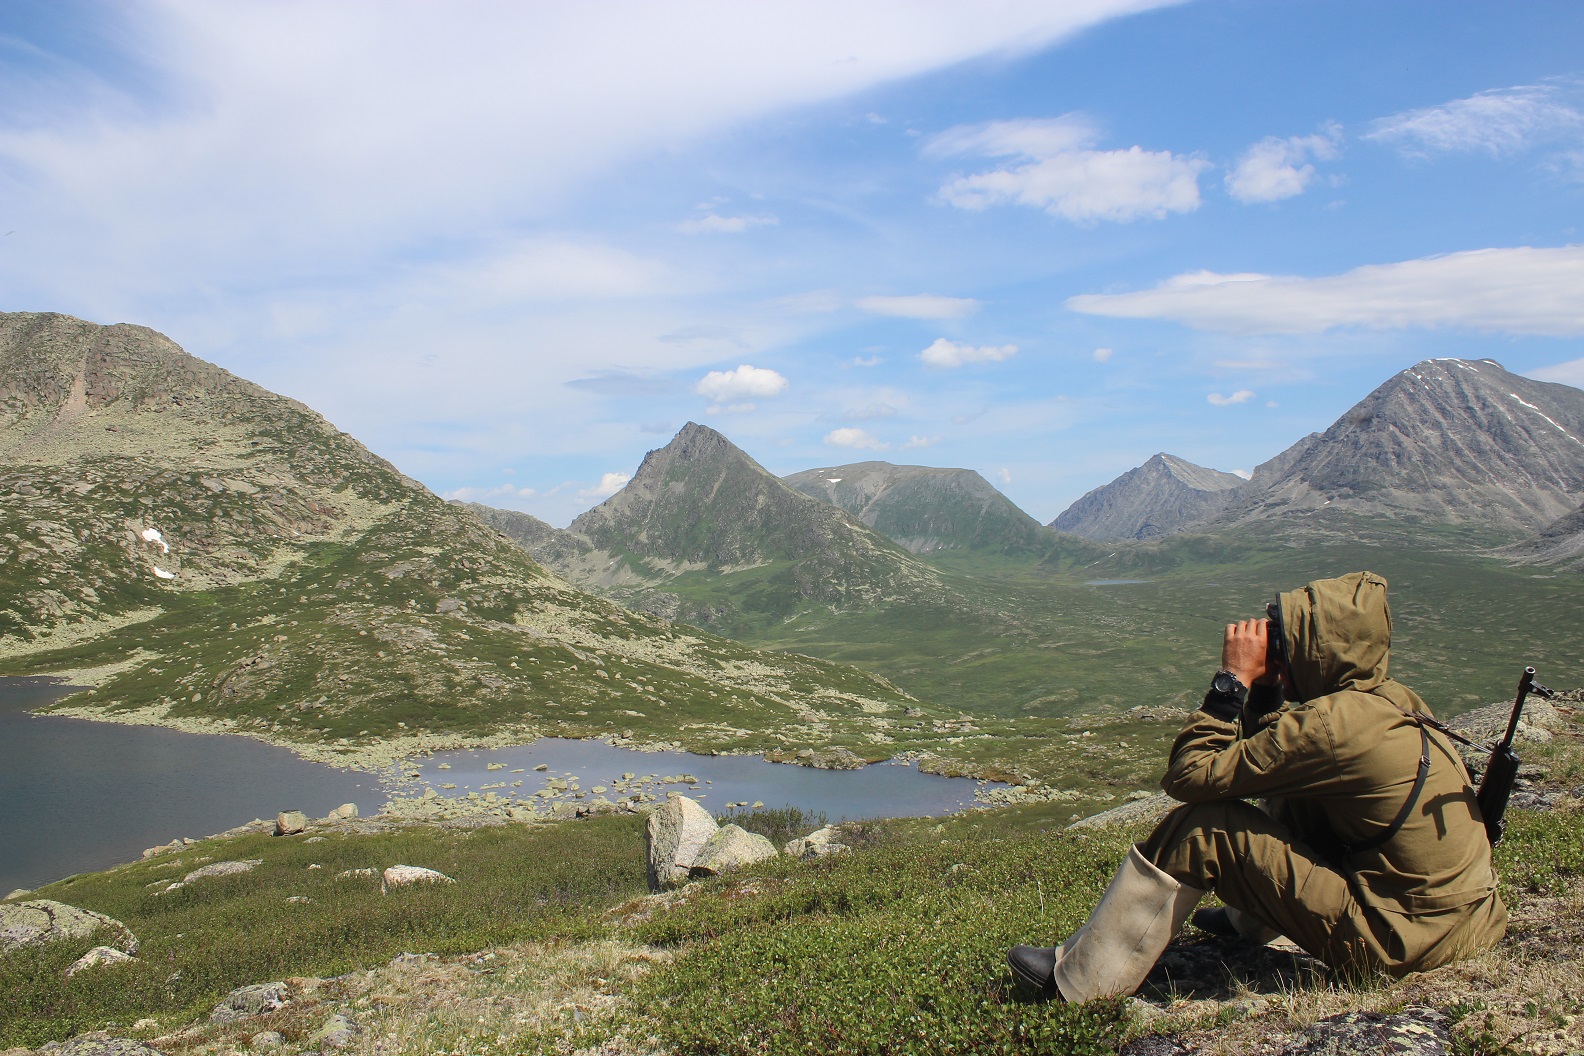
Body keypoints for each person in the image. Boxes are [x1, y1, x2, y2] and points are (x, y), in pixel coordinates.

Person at [1008, 571, 1506, 1002]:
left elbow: (1189, 776)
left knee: (1202, 829)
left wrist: (1231, 683)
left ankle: (1078, 982)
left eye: (1287, 643)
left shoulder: (1333, 727)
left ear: (1317, 652)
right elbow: (1283, 758)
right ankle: (1255, 918)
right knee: (1296, 791)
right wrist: (1271, 688)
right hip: (1466, 924)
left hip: (1399, 940)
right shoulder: (1391, 700)